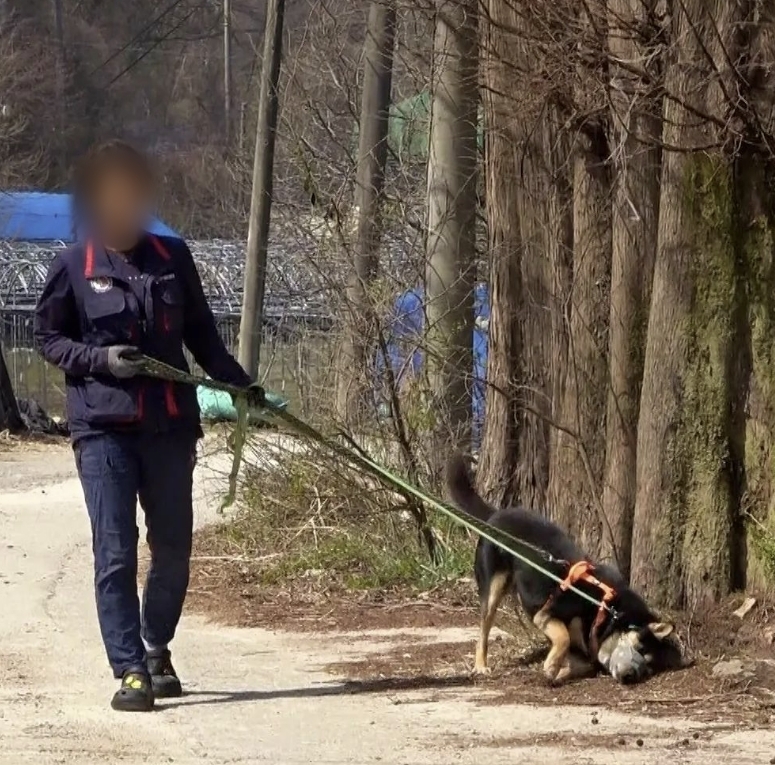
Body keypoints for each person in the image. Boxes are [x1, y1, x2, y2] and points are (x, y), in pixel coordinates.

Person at [34, 140, 264, 712]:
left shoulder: (173, 257)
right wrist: (100, 361)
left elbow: (204, 338)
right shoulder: (73, 267)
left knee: (174, 550)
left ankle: (155, 643)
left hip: (169, 428)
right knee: (115, 552)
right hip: (102, 430)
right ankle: (130, 670)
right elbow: (48, 337)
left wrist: (241, 386)